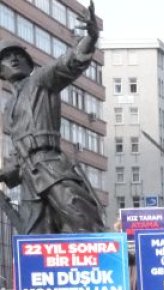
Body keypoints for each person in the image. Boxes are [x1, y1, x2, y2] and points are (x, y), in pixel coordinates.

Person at [0, 2, 104, 235]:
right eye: (6, 58)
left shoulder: (40, 81)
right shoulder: (9, 107)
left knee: (83, 222)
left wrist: (90, 37)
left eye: (19, 56)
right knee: (34, 238)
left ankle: (105, 256)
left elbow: (68, 63)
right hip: (29, 177)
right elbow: (17, 151)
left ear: (29, 63)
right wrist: (6, 173)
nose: (14, 59)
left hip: (51, 166)